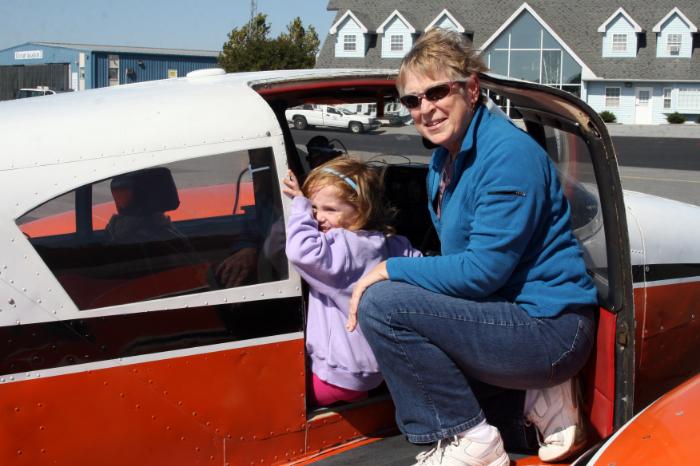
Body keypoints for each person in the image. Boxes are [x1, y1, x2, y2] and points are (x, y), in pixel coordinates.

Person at [346, 29, 598, 465]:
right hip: (506, 312)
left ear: (472, 88)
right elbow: (458, 259)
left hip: (548, 326)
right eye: (412, 101)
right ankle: (533, 405)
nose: (425, 108)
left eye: (437, 91)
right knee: (423, 377)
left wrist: (387, 270)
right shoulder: (445, 159)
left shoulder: (507, 156)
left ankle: (472, 443)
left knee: (382, 304)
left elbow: (481, 272)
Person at [283, 157, 422, 406]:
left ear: (361, 210)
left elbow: (300, 251)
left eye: (330, 209)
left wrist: (300, 207)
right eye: (314, 208)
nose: (318, 218)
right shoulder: (388, 242)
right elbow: (417, 262)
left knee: (282, 399)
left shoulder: (344, 248)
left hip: (337, 376)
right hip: (371, 365)